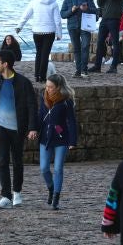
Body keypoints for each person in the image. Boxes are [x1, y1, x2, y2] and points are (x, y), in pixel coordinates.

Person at [0, 50, 38, 209]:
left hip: (17, 129)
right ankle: (5, 196)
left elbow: (32, 105)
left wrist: (33, 127)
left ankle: (17, 192)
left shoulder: (23, 82)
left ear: (5, 64)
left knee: (17, 161)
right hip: (0, 127)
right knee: (2, 161)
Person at [38, 73, 77, 210]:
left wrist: (73, 141)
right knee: (44, 168)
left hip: (61, 138)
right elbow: (40, 116)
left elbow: (72, 122)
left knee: (58, 168)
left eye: (50, 87)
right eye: (46, 86)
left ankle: (56, 197)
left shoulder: (66, 101)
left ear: (58, 87)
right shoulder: (43, 97)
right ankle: (51, 188)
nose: (47, 89)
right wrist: (33, 130)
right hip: (45, 137)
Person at [16, 0, 63, 83]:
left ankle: (37, 76)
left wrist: (19, 26)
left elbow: (26, 15)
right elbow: (58, 21)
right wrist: (59, 34)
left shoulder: (34, 1)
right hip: (49, 32)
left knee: (38, 53)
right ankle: (42, 77)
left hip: (37, 32)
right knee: (45, 55)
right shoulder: (54, 3)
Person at [61, 0, 98, 78]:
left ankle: (84, 70)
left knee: (85, 47)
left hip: (85, 27)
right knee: (76, 49)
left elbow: (95, 11)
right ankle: (78, 71)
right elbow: (62, 14)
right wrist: (71, 11)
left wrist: (87, 9)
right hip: (72, 27)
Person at [89, 0, 123, 74]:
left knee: (115, 43)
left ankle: (114, 67)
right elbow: (100, 4)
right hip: (104, 19)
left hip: (114, 20)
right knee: (100, 42)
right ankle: (97, 66)